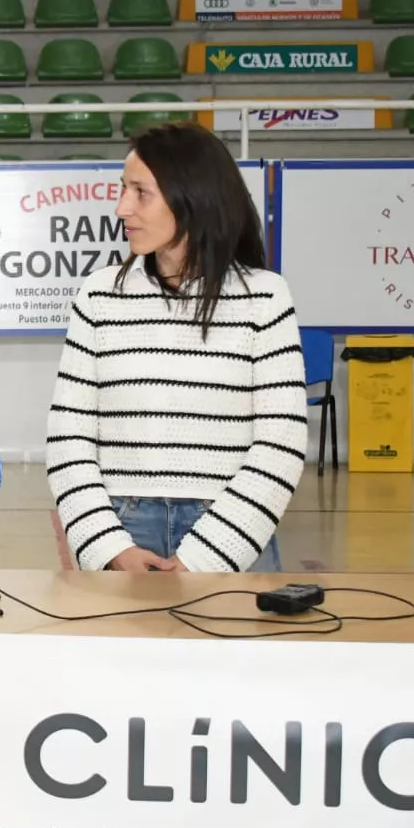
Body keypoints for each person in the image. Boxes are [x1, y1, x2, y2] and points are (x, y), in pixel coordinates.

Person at [46, 122, 307, 574]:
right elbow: (69, 438)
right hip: (121, 532)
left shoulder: (266, 296)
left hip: (233, 536)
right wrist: (109, 550)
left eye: (140, 192)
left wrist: (206, 558)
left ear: (192, 197)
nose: (121, 207)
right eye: (122, 190)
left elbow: (281, 443)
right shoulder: (99, 295)